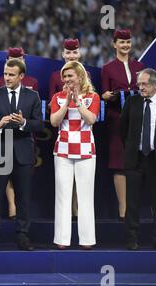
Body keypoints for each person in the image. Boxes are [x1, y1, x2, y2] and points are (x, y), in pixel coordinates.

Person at [0, 58, 44, 251]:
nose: (7, 78)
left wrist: (24, 123)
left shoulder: (33, 96)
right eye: (5, 74)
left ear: (21, 76)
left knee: (23, 198)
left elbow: (39, 125)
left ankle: (23, 236)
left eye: (11, 75)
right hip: (0, 151)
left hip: (23, 153)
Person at [120, 68, 156, 251]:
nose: (140, 87)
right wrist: (132, 149)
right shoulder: (132, 102)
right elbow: (124, 130)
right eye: (139, 84)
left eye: (144, 84)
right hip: (135, 159)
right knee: (132, 202)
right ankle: (132, 238)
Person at [50, 61, 100, 249]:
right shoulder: (57, 97)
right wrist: (66, 103)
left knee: (86, 196)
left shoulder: (93, 97)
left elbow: (91, 119)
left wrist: (77, 101)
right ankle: (62, 239)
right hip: (62, 150)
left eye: (70, 75)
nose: (67, 79)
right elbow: (54, 122)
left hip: (86, 150)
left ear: (80, 76)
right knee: (62, 195)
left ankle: (87, 239)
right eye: (65, 76)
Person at [101, 29, 145, 221]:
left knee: (136, 163)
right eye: (121, 42)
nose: (125, 45)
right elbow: (103, 93)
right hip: (116, 118)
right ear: (114, 44)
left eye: (128, 42)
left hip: (137, 119)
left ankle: (134, 206)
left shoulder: (140, 66)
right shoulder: (108, 68)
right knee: (119, 165)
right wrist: (107, 96)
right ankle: (123, 207)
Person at [49, 38, 86, 219]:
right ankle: (67, 212)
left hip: (84, 131)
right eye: (68, 52)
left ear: (79, 53)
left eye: (74, 52)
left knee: (81, 176)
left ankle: (77, 209)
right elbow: (51, 104)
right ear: (63, 54)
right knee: (65, 178)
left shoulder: (86, 76)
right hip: (64, 131)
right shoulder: (56, 77)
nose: (72, 55)